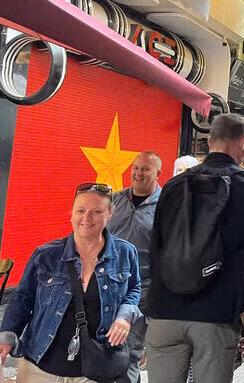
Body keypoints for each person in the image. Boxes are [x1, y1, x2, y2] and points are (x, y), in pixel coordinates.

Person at [146, 113, 244, 383]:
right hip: (218, 313)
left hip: (165, 310)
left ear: (209, 141)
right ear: (243, 143)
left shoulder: (174, 186)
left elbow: (155, 246)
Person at [0, 183, 141, 382]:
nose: (87, 217)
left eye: (97, 211)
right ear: (71, 214)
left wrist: (125, 316)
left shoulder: (125, 252)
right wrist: (8, 333)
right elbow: (23, 298)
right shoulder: (46, 254)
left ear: (110, 214)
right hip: (40, 367)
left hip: (95, 369)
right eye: (81, 210)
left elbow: (134, 288)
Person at [107, 151, 163, 383]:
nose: (138, 173)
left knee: (129, 355)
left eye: (145, 169)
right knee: (108, 353)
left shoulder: (167, 207)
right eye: (136, 168)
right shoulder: (114, 200)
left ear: (158, 174)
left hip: (142, 292)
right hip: (107, 288)